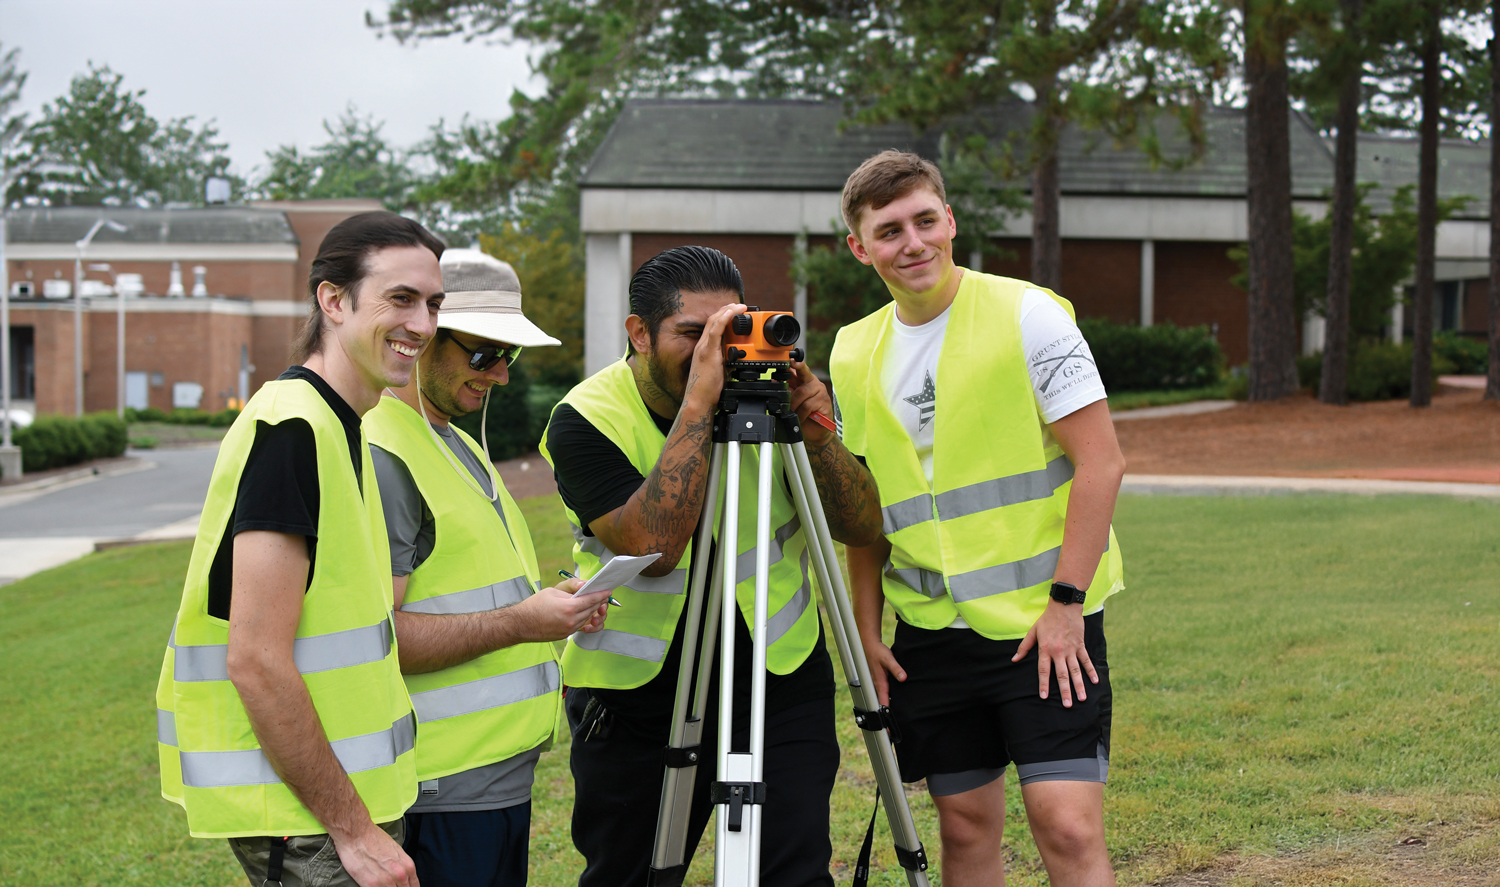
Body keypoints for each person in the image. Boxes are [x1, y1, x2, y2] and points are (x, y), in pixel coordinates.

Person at [540, 245, 882, 887]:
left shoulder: (771, 401)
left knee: (793, 871)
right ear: (639, 334)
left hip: (775, 675)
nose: (713, 353)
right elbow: (655, 546)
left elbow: (862, 525)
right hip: (640, 695)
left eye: (726, 331)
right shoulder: (586, 419)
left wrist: (816, 430)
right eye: (693, 335)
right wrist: (699, 406)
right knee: (632, 873)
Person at [832, 151, 1127, 887]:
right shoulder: (850, 351)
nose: (914, 243)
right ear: (860, 247)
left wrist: (1066, 606)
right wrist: (867, 632)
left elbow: (1102, 463)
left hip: (1045, 625)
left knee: (1067, 826)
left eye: (926, 220)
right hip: (930, 640)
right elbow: (866, 511)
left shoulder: (1030, 313)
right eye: (890, 230)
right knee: (964, 830)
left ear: (950, 220)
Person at [154, 211, 448, 887]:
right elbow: (255, 658)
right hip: (310, 818)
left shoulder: (341, 424)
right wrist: (354, 829)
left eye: (433, 304)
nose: (424, 326)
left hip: (327, 804)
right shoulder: (294, 429)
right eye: (401, 299)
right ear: (334, 300)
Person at [363, 248, 613, 887]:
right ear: (423, 336)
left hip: (495, 775)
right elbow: (377, 639)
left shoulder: (451, 436)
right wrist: (527, 622)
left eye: (511, 355)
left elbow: (462, 587)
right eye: (484, 354)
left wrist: (550, 605)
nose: (501, 374)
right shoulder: (385, 452)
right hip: (441, 786)